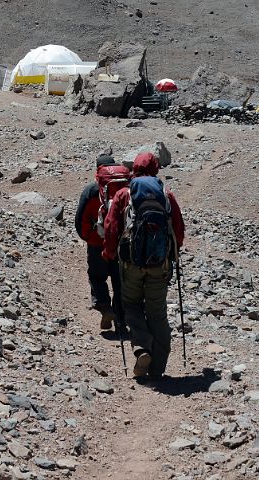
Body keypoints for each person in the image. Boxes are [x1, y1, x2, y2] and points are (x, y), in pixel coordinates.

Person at [101, 151, 185, 381]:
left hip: (131, 265)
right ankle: (158, 368)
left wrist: (109, 253)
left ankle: (141, 349)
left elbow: (111, 228)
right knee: (157, 313)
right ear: (156, 169)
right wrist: (171, 257)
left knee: (132, 306)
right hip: (159, 264)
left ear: (133, 170)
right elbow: (178, 231)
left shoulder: (123, 195)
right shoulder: (166, 196)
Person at [74, 154, 128, 331]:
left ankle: (105, 307)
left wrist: (90, 238)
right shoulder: (126, 188)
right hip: (121, 244)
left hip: (98, 244)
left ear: (98, 170)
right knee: (120, 283)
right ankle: (121, 321)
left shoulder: (91, 190)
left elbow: (79, 220)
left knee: (97, 277)